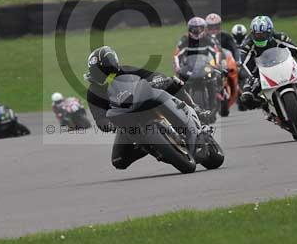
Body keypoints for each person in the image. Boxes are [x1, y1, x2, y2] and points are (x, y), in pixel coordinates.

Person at [84, 45, 212, 170]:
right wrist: (108, 125)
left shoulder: (126, 70)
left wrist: (158, 79)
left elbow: (150, 75)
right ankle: (151, 146)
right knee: (118, 160)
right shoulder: (93, 92)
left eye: (104, 70)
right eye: (97, 72)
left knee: (172, 82)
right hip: (126, 119)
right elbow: (99, 117)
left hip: (145, 101)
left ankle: (195, 109)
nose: (102, 74)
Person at [239, 15, 297, 110]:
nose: (259, 38)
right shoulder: (247, 44)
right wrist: (251, 76)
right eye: (257, 35)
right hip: (259, 70)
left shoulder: (279, 37)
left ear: (270, 32)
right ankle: (265, 105)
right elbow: (244, 63)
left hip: (282, 62)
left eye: (263, 35)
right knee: (246, 98)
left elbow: (296, 49)